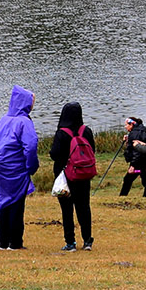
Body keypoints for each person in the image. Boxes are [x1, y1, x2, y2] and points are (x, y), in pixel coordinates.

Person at [0, 86, 39, 251]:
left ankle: (2, 241)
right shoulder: (24, 122)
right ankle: (15, 242)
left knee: (4, 201)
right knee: (16, 202)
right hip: (15, 167)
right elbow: (30, 146)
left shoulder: (4, 119)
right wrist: (31, 167)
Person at [51, 101, 98, 251]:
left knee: (67, 209)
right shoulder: (87, 131)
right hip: (83, 174)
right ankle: (87, 241)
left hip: (65, 175)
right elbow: (93, 150)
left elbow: (55, 154)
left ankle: (70, 242)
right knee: (84, 206)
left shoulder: (62, 133)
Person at [117, 116, 146, 198]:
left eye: (126, 125)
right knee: (144, 178)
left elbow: (136, 151)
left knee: (128, 179)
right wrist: (128, 141)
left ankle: (122, 197)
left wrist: (133, 165)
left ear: (132, 124)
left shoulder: (133, 134)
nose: (125, 127)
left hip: (138, 163)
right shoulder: (145, 130)